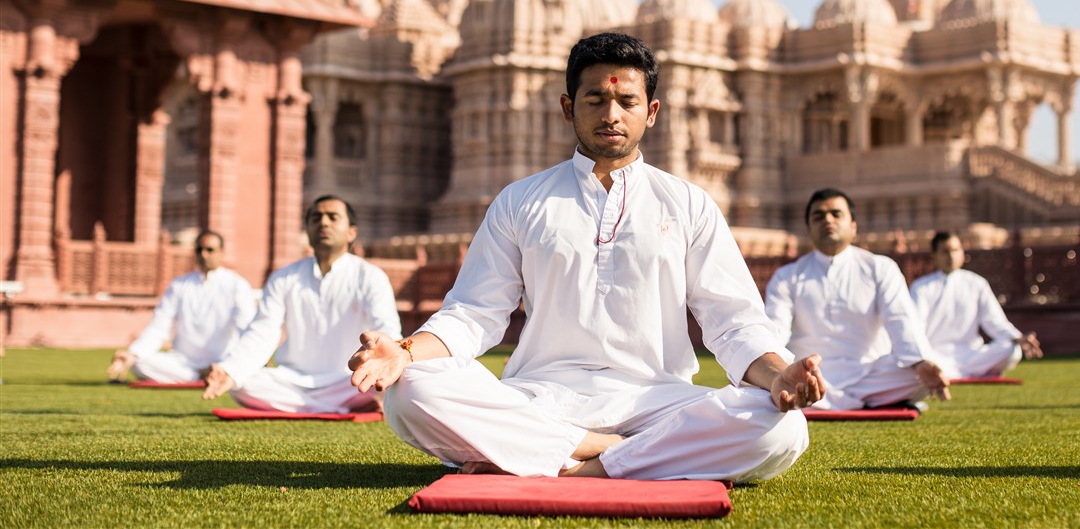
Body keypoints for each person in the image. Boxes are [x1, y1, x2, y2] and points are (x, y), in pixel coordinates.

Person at [348, 32, 825, 482]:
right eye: (595, 100)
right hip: (540, 395)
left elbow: (734, 321)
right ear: (568, 108)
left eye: (627, 102)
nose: (611, 114)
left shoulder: (687, 203)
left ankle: (575, 462)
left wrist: (776, 373)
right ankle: (606, 449)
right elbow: (474, 312)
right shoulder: (521, 200)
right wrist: (406, 350)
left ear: (652, 112)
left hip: (657, 399)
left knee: (783, 427)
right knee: (410, 391)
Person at [203, 195, 401, 413]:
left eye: (332, 217)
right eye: (316, 218)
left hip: (347, 381)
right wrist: (230, 370)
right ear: (307, 230)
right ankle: (334, 409)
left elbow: (386, 330)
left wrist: (382, 364)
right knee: (241, 382)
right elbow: (263, 331)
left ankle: (314, 407)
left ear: (351, 232)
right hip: (291, 381)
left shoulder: (370, 276)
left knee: (388, 381)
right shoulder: (284, 277)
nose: (323, 223)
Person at [764, 188, 951, 411]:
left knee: (924, 372)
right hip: (809, 374)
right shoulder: (788, 276)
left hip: (868, 373)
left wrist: (920, 362)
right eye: (818, 216)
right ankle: (855, 401)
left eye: (836, 214)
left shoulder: (880, 268)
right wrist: (775, 370)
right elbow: (776, 329)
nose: (827, 220)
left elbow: (900, 318)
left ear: (853, 226)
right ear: (809, 229)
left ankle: (823, 402)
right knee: (765, 378)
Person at [106, 230, 255, 384]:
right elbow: (159, 326)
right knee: (139, 363)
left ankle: (215, 373)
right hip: (183, 363)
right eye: (199, 250)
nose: (204, 255)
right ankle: (203, 376)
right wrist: (133, 354)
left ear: (221, 252)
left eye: (210, 250)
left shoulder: (237, 285)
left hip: (220, 361)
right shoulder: (180, 285)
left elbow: (246, 327)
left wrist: (250, 358)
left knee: (238, 368)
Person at [910, 231, 1043, 379]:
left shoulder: (977, 283)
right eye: (945, 252)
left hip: (971, 355)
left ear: (962, 252)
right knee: (921, 363)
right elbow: (916, 328)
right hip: (937, 355)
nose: (951, 256)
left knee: (1012, 349)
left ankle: (960, 372)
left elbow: (994, 321)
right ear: (934, 255)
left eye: (955, 250)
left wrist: (1018, 338)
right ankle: (968, 372)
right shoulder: (921, 287)